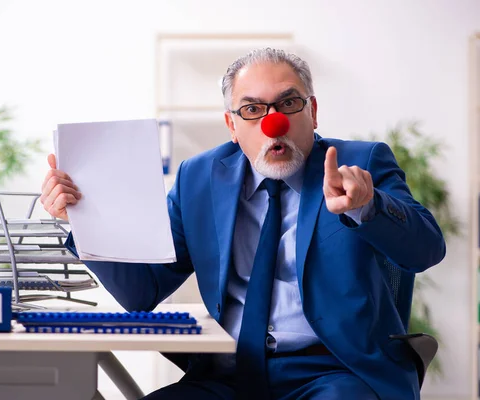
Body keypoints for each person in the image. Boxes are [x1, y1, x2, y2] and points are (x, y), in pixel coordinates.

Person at [40, 48, 446, 400]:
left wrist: (369, 206)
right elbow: (141, 289)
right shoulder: (198, 178)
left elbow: (426, 249)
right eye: (252, 109)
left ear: (313, 111)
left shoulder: (361, 162)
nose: (274, 124)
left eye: (288, 104)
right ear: (232, 126)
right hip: (229, 373)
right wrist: (83, 219)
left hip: (336, 372)